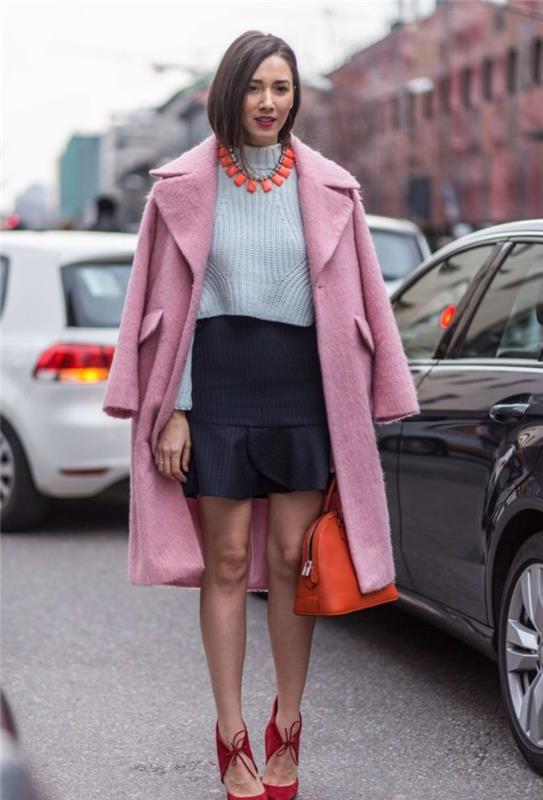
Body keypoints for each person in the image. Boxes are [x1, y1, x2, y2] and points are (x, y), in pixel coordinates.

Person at [104, 27, 420, 800]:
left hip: (304, 394)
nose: (269, 102)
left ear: (294, 98)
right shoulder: (177, 187)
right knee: (228, 565)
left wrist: (383, 390)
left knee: (288, 563)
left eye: (281, 88)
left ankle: (287, 724)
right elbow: (158, 308)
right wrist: (170, 410)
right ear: (230, 93)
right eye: (255, 87)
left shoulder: (330, 188)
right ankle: (230, 734)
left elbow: (364, 304)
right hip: (213, 391)